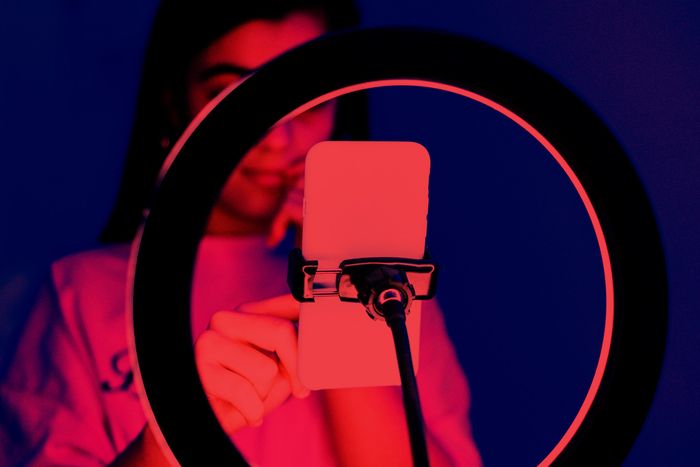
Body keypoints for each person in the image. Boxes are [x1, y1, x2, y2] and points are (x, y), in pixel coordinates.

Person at [0, 1, 482, 466]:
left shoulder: (395, 285)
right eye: (232, 96)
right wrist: (176, 432)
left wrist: (339, 275)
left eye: (309, 100)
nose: (276, 136)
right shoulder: (80, 293)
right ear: (174, 103)